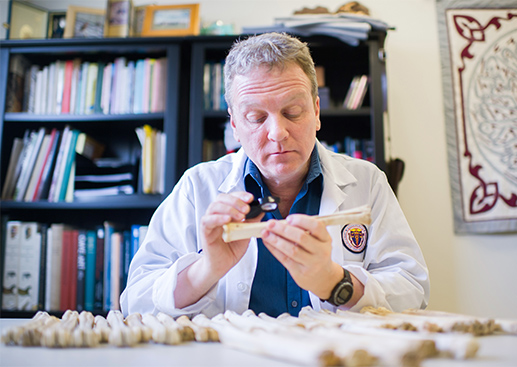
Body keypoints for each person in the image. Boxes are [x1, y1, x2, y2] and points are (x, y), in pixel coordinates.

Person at [120, 32, 429, 318]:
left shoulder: (367, 182)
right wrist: (207, 269)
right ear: (235, 125)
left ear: (317, 111)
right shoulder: (197, 188)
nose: (278, 133)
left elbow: (412, 288)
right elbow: (136, 299)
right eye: (255, 118)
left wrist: (333, 281)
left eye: (293, 112)